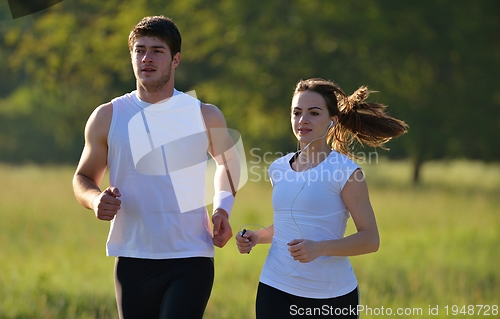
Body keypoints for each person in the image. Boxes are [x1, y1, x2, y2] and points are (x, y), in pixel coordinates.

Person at [72, 16, 239, 319]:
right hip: (132, 255)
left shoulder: (204, 114)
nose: (147, 58)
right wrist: (95, 200)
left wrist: (222, 209)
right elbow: (83, 177)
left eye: (157, 51)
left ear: (175, 60)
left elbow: (228, 165)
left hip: (191, 255)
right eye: (140, 50)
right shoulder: (108, 115)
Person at [236, 78, 408, 318]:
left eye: (314, 113)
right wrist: (257, 236)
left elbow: (371, 239)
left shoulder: (346, 172)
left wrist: (320, 248)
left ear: (332, 120)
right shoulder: (278, 168)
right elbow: (290, 225)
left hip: (331, 297)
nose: (302, 120)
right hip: (274, 289)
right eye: (297, 112)